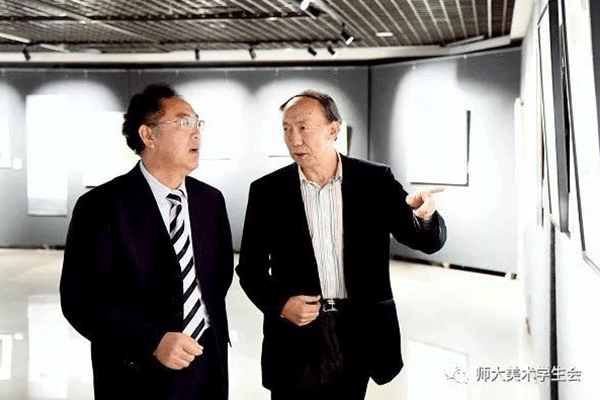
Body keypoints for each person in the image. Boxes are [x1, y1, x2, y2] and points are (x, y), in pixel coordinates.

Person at [236, 89, 447, 400]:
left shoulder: (374, 180)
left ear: (333, 130)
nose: (294, 139)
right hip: (295, 336)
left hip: (359, 330)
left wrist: (425, 217)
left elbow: (422, 241)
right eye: (286, 128)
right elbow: (250, 269)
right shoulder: (268, 191)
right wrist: (280, 304)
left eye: (304, 127)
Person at [60, 84, 233, 400]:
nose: (196, 133)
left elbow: (218, 279)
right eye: (184, 122)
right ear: (148, 135)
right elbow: (80, 301)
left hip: (208, 367)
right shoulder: (101, 207)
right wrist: (152, 341)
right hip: (136, 375)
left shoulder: (210, 201)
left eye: (198, 123)